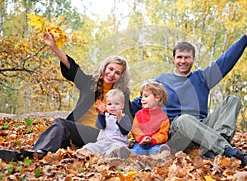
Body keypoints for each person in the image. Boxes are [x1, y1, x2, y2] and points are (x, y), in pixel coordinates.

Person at [132, 12, 247, 168]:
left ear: (193, 59)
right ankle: (230, 152)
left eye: (187, 57)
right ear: (174, 59)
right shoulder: (162, 80)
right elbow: (141, 102)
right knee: (184, 119)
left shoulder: (202, 77)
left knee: (232, 100)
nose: (183, 61)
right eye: (179, 57)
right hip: (176, 132)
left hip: (203, 127)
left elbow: (226, 60)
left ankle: (218, 143)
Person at [0, 32, 132, 162]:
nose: (112, 74)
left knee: (60, 124)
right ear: (104, 68)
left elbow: (130, 118)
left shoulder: (122, 94)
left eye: (117, 73)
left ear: (121, 76)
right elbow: (72, 68)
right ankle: (30, 154)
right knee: (59, 127)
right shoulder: (89, 83)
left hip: (101, 135)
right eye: (110, 69)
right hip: (77, 130)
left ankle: (37, 153)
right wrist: (53, 46)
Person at [77, 89, 131, 157]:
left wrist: (119, 119)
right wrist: (101, 114)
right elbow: (100, 126)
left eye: (116, 104)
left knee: (115, 149)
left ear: (122, 106)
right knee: (90, 146)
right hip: (102, 143)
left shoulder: (124, 117)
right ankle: (82, 153)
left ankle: (113, 155)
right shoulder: (105, 116)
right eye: (109, 104)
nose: (113, 106)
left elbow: (125, 131)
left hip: (117, 143)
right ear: (106, 106)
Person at [121, 82, 170, 157]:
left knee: (156, 150)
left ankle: (162, 153)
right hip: (141, 142)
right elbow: (135, 130)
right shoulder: (139, 114)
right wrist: (142, 138)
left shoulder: (163, 117)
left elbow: (163, 134)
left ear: (157, 97)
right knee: (137, 150)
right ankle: (129, 154)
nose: (142, 99)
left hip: (156, 143)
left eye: (146, 96)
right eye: (142, 97)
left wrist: (152, 140)